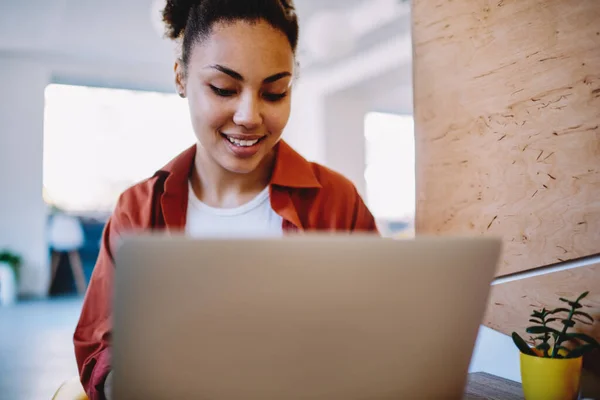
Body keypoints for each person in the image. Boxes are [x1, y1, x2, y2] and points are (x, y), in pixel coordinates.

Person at [73, 0, 378, 398]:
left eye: (274, 92)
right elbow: (101, 347)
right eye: (223, 89)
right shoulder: (139, 209)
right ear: (181, 77)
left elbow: (378, 331)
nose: (249, 116)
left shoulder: (337, 201)